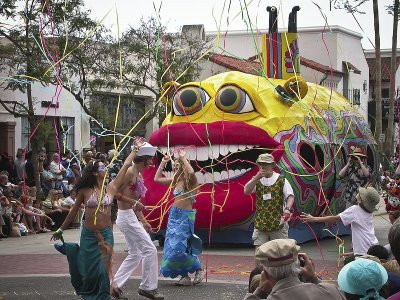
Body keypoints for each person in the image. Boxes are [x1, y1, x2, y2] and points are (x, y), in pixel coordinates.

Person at [50, 137, 145, 300]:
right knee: (89, 271)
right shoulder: (84, 191)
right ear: (95, 173)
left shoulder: (112, 187)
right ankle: (74, 252)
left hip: (106, 234)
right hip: (88, 235)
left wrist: (136, 149)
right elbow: (73, 211)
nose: (105, 167)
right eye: (102, 166)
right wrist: (60, 229)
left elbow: (125, 166)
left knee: (104, 268)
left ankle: (103, 296)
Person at [112, 142, 164, 300]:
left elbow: (134, 201)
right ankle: (148, 287)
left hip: (130, 216)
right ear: (144, 158)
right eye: (150, 159)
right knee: (150, 249)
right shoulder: (129, 172)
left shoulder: (138, 174)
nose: (152, 162)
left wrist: (143, 220)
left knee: (135, 254)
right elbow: (113, 192)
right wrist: (134, 203)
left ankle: (114, 286)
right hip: (125, 216)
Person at [154, 149, 205, 286]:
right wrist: (163, 163)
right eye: (174, 166)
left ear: (183, 166)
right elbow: (157, 179)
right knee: (172, 247)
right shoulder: (175, 181)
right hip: (173, 216)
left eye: (178, 166)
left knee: (180, 247)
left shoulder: (191, 183)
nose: (175, 168)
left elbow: (192, 173)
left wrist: (183, 158)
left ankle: (199, 268)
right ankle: (185, 276)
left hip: (185, 217)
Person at [243, 239, 346, 299]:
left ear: (265, 274)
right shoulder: (332, 291)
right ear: (299, 266)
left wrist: (260, 291)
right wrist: (314, 278)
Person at [243, 153, 295, 266]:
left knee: (281, 252)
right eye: (261, 164)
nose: (263, 167)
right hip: (261, 222)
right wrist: (256, 178)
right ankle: (258, 275)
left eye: (265, 164)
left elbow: (290, 196)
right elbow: (246, 191)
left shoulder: (281, 180)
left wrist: (287, 209)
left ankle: (282, 276)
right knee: (259, 252)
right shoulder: (257, 180)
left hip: (278, 222)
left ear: (272, 165)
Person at [301, 187, 380, 256]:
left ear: (361, 199)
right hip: (373, 246)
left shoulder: (355, 210)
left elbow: (336, 218)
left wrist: (313, 218)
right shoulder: (369, 212)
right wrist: (354, 253)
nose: (358, 193)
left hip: (364, 251)